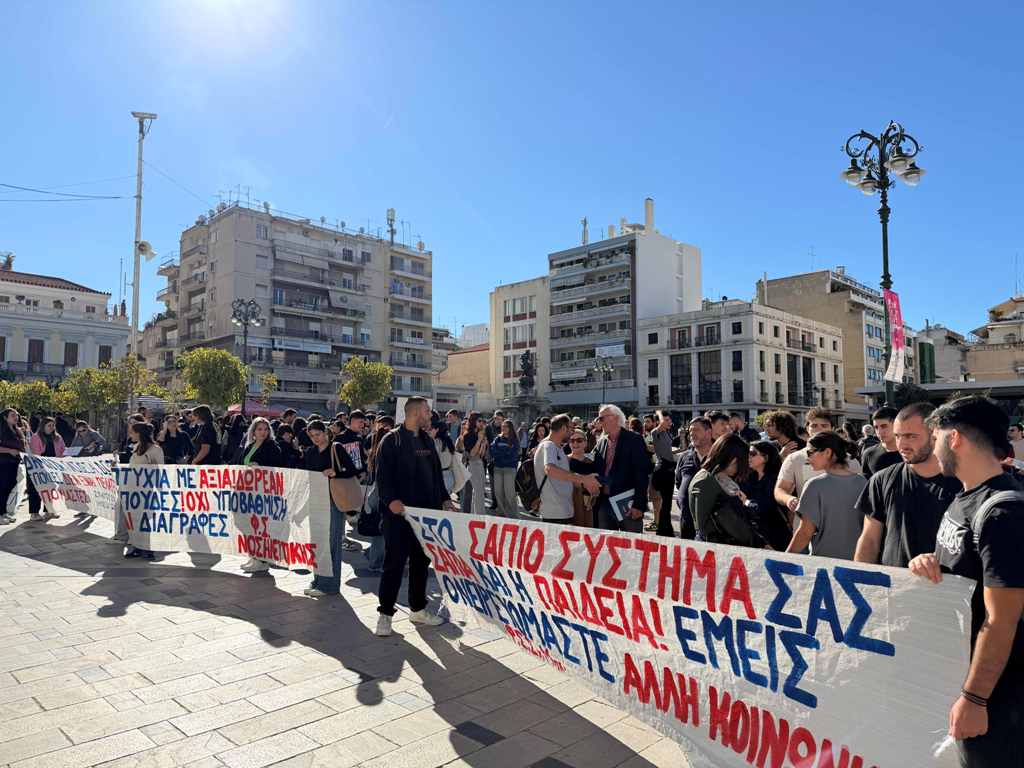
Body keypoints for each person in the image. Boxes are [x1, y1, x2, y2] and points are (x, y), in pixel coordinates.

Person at [909, 396, 1024, 766]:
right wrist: (928, 562)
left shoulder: (1004, 512)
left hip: (1001, 701)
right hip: (962, 677)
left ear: (954, 437)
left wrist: (975, 699)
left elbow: (1001, 619)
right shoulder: (964, 498)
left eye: (936, 435)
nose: (933, 446)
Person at [374, 397, 452, 637]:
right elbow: (382, 476)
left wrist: (445, 499)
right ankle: (385, 615)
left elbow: (436, 475)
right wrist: (391, 501)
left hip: (425, 517)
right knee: (394, 564)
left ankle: (418, 609)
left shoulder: (427, 439)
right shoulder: (391, 440)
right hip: (398, 516)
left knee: (421, 563)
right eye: (427, 411)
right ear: (416, 412)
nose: (430, 414)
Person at [854, 402, 962, 567]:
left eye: (911, 436)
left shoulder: (964, 481)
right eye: (898, 436)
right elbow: (869, 540)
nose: (902, 445)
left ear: (935, 434)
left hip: (949, 587)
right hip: (896, 588)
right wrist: (861, 580)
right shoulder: (881, 480)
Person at [786, 431, 866, 560]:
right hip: (859, 562)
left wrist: (785, 558)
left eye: (810, 452)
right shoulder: (863, 482)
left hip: (825, 563)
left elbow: (805, 532)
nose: (807, 458)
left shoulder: (814, 485)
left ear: (828, 452)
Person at [774, 408, 860, 526]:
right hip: (805, 526)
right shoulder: (794, 458)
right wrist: (789, 499)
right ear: (807, 428)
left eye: (824, 426)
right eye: (814, 426)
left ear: (832, 429)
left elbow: (860, 495)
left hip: (842, 525)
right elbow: (780, 490)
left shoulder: (850, 460)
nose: (818, 430)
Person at [689, 434, 763, 546]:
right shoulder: (706, 481)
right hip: (714, 547)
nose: (740, 468)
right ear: (732, 460)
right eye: (740, 462)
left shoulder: (719, 477)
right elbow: (703, 527)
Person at [302, 420, 348, 597]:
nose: (315, 438)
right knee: (318, 543)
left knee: (332, 544)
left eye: (318, 434)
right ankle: (318, 580)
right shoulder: (310, 452)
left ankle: (330, 585)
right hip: (316, 501)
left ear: (326, 433)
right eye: (312, 436)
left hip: (333, 501)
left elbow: (353, 469)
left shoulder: (336, 448)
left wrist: (336, 472)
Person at [592, 404, 650, 533]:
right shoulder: (602, 442)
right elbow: (593, 466)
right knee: (607, 546)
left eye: (602, 418)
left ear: (615, 418)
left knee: (632, 547)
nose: (598, 422)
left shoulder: (634, 439)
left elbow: (642, 474)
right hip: (605, 502)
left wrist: (638, 505)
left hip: (627, 504)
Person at [237, 417, 285, 573]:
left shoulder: (272, 446)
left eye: (265, 429)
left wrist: (261, 467)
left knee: (261, 527)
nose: (263, 432)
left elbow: (278, 467)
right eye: (259, 429)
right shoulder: (249, 445)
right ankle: (254, 556)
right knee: (249, 525)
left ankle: (262, 559)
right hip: (249, 491)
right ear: (253, 431)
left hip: (264, 493)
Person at [534, 414, 600, 524]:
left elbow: (563, 477)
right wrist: (583, 479)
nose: (572, 432)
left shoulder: (556, 447)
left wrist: (586, 483)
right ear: (564, 428)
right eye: (571, 428)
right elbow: (550, 469)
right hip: (555, 514)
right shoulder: (549, 446)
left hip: (562, 511)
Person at [122, 421, 164, 559]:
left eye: (132, 432)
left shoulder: (155, 450)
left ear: (139, 433)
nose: (130, 434)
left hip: (147, 491)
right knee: (135, 519)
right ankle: (137, 547)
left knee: (146, 519)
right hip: (133, 490)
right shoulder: (136, 447)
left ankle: (148, 548)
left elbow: (160, 470)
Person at [742, 440, 791, 551]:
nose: (749, 457)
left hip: (775, 533)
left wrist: (746, 502)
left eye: (753, 454)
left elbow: (764, 506)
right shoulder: (749, 477)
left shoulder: (775, 479)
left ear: (766, 458)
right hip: (756, 534)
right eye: (748, 453)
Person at [334, 410, 369, 552]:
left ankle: (343, 536)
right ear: (352, 421)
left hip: (356, 477)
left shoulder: (359, 438)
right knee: (343, 507)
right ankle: (341, 537)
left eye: (363, 422)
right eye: (360, 422)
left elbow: (361, 457)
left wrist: (363, 471)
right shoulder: (340, 438)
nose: (362, 425)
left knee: (352, 506)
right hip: (344, 478)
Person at [674, 417, 714, 539]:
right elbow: (678, 482)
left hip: (712, 530)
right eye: (690, 431)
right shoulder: (685, 457)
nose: (691, 434)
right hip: (687, 527)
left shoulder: (720, 457)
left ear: (709, 432)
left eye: (696, 430)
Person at [27, 416, 65, 521]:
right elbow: (36, 453)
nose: (52, 428)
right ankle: (34, 513)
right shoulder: (36, 437)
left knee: (50, 489)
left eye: (53, 425)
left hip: (52, 467)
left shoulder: (58, 437)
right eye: (49, 425)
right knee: (36, 490)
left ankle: (49, 511)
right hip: (37, 467)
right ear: (43, 426)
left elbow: (63, 450)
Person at [649, 410, 677, 537]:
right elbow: (660, 424)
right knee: (664, 504)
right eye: (666, 420)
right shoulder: (656, 432)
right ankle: (664, 531)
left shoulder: (667, 433)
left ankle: (665, 530)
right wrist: (659, 412)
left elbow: (670, 452)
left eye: (669, 420)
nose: (669, 422)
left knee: (667, 504)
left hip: (670, 469)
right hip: (662, 470)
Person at [456, 413, 488, 516]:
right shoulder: (468, 435)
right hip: (473, 464)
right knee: (477, 493)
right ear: (474, 421)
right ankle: (479, 517)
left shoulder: (480, 433)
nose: (482, 423)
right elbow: (472, 454)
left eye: (483, 421)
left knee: (477, 493)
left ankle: (474, 515)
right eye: (480, 421)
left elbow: (481, 454)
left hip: (478, 463)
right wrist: (479, 440)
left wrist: (483, 444)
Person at [0, 409, 26, 525]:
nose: (16, 417)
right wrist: (9, 450)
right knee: (2, 488)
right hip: (3, 463)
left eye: (16, 415)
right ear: (5, 418)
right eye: (12, 415)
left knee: (9, 486)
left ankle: (3, 512)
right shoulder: (1, 430)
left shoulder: (17, 431)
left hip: (14, 463)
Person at [490, 420, 520, 517]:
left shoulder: (515, 440)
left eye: (506, 426)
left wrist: (501, 454)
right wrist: (505, 452)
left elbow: (513, 455)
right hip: (498, 468)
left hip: (509, 469)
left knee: (509, 493)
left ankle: (513, 516)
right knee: (498, 492)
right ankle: (502, 514)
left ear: (510, 428)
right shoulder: (497, 439)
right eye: (502, 426)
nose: (503, 428)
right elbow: (493, 451)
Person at [861, 406, 902, 479]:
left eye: (884, 426)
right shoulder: (868, 454)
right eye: (876, 427)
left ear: (897, 425)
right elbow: (866, 484)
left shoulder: (911, 452)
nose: (879, 432)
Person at [567, 429, 597, 527]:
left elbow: (596, 489)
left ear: (585, 443)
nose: (575, 443)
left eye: (579, 440)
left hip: (585, 506)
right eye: (572, 440)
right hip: (567, 505)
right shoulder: (563, 461)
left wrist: (593, 494)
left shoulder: (591, 463)